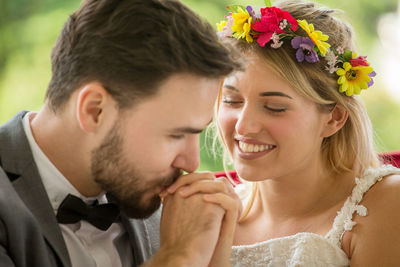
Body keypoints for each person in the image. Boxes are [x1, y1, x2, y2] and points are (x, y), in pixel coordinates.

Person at [0, 0, 242, 266]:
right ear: (95, 110)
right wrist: (177, 257)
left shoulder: (164, 209)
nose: (191, 163)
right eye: (175, 135)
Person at [215, 0, 400, 266]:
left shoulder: (384, 204)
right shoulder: (210, 213)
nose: (243, 127)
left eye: (274, 107)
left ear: (333, 118)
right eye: (232, 101)